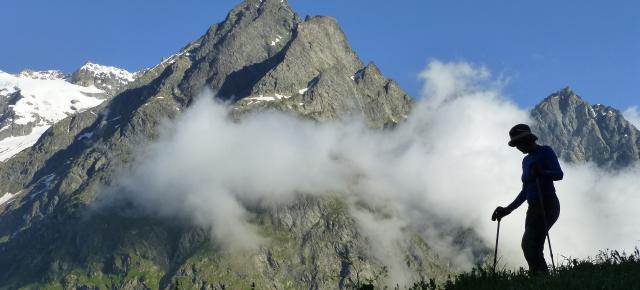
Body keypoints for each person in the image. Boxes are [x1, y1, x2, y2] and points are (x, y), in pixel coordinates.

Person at [491, 124, 563, 274]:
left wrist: (542, 172)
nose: (518, 148)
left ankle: (541, 280)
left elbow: (558, 174)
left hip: (547, 204)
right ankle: (540, 278)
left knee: (530, 243)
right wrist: (507, 210)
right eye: (516, 145)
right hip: (533, 208)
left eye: (519, 144)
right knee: (531, 244)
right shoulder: (526, 161)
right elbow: (525, 191)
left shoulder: (545, 152)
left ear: (527, 139)